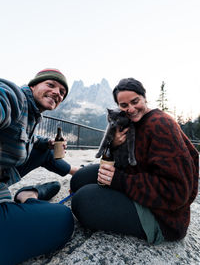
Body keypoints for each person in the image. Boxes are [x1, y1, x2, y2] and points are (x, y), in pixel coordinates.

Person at [70, 77, 199, 244]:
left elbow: (177, 192)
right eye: (124, 106)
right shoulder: (131, 123)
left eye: (135, 101)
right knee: (79, 179)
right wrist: (115, 145)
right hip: (138, 186)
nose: (130, 109)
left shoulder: (161, 124)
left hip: (163, 217)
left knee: (83, 201)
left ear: (144, 97)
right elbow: (124, 161)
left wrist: (119, 180)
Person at [0, 68, 77, 264]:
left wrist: (47, 144)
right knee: (62, 219)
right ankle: (29, 196)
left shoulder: (33, 116)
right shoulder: (15, 96)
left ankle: (75, 173)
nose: (56, 93)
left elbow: (31, 140)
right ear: (33, 85)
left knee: (44, 148)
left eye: (62, 92)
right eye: (50, 85)